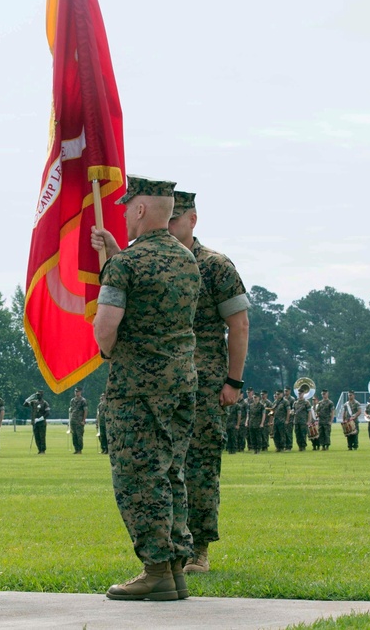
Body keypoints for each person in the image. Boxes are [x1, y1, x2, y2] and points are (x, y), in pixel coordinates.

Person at [91, 175, 200, 601]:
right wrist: (116, 255)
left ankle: (154, 569)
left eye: (126, 205)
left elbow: (105, 328)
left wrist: (108, 351)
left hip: (136, 386)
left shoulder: (126, 265)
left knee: (138, 475)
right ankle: (174, 568)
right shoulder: (186, 259)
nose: (121, 212)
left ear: (139, 209)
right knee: (171, 472)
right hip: (180, 382)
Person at [166, 190, 249, 575]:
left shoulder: (215, 266)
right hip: (162, 385)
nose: (168, 226)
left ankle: (198, 549)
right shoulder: (154, 264)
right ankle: (166, 544)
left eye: (175, 219)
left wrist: (233, 380)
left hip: (205, 384)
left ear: (192, 220)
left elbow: (238, 324)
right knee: (163, 467)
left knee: (199, 466)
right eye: (164, 218)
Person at [69, 386, 89, 454]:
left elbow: (85, 411)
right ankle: (76, 449)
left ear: (80, 392)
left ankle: (79, 449)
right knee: (74, 436)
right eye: (75, 391)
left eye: (77, 391)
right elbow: (71, 411)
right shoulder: (72, 400)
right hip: (73, 420)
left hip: (79, 421)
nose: (76, 392)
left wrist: (83, 420)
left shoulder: (83, 400)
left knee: (79, 436)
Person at [246, 388, 266, 454]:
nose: (255, 398)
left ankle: (258, 449)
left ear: (259, 398)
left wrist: (262, 423)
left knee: (258, 437)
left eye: (256, 397)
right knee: (252, 437)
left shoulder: (261, 406)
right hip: (251, 423)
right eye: (254, 397)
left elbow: (263, 415)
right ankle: (254, 449)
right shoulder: (250, 406)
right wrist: (247, 422)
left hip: (258, 423)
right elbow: (248, 414)